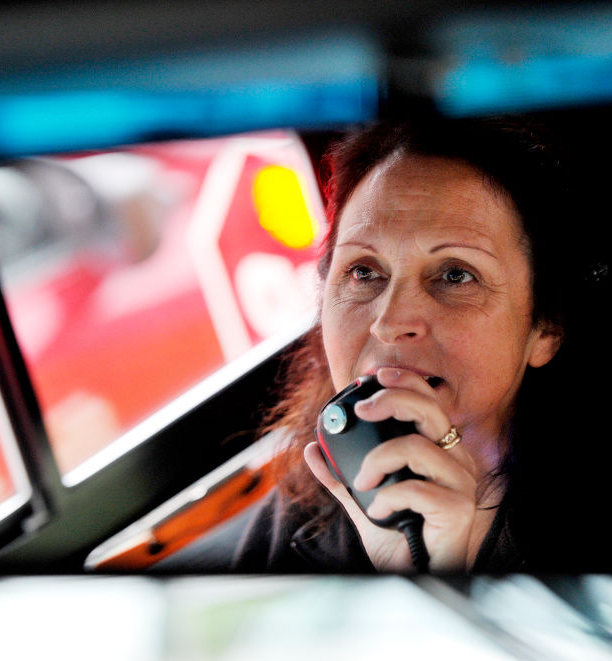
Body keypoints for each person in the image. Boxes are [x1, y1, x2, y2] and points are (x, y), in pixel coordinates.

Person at [232, 115, 579, 574]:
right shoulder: (302, 514)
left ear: (544, 328)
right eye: (363, 272)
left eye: (455, 275)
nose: (389, 323)